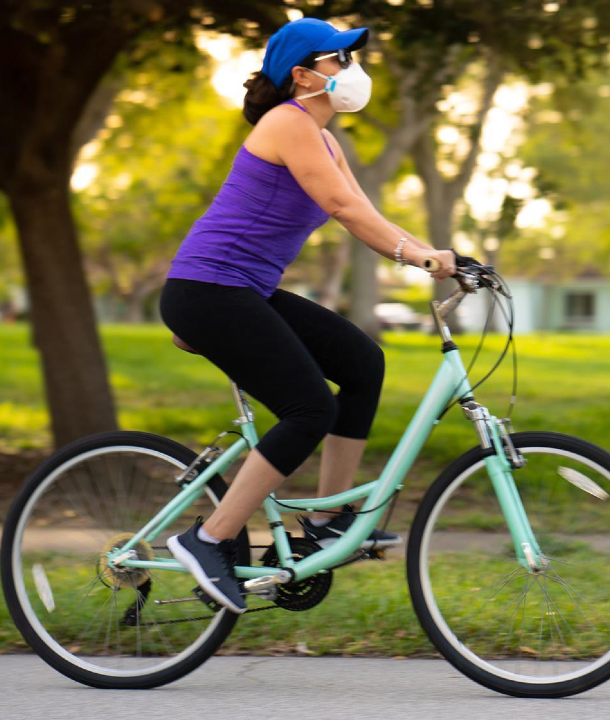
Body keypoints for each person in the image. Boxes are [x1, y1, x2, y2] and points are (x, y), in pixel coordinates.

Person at [162, 18, 456, 615]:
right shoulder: (287, 124)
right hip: (207, 290)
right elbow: (343, 208)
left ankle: (327, 520)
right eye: (339, 60)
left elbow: (370, 212)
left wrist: (448, 256)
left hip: (243, 289)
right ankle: (209, 538)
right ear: (302, 76)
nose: (352, 69)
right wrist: (420, 259)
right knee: (309, 408)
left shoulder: (323, 138)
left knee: (362, 360)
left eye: (351, 57)